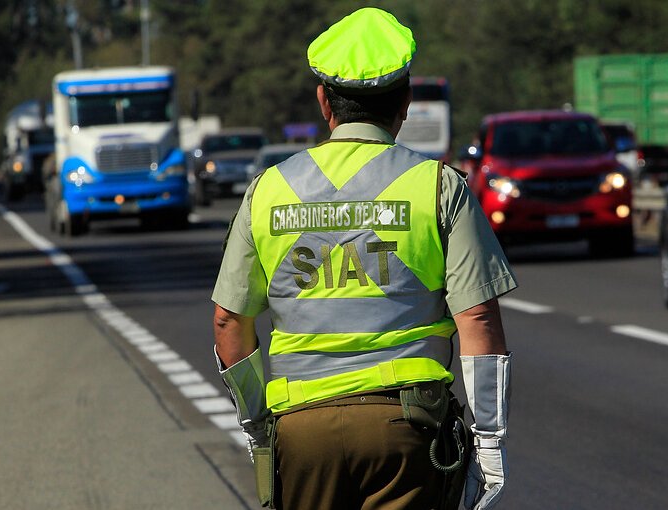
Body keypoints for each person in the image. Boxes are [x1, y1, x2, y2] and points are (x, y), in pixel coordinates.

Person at [211, 7, 517, 510]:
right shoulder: (438, 187)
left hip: (302, 429)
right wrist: (489, 441)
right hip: (408, 429)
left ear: (323, 102)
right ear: (407, 101)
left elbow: (229, 322)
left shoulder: (268, 190)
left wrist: (257, 426)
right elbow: (478, 316)